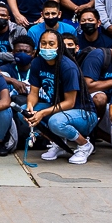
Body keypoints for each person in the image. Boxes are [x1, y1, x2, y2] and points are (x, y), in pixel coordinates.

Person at [24, 31, 97, 164]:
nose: (47, 47)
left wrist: (42, 113)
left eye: (51, 44)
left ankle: (85, 145)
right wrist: (30, 105)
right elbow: (34, 92)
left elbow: (70, 103)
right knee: (23, 112)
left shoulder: (67, 67)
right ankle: (59, 143)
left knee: (55, 121)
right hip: (59, 109)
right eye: (44, 43)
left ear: (59, 47)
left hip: (83, 113)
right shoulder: (37, 62)